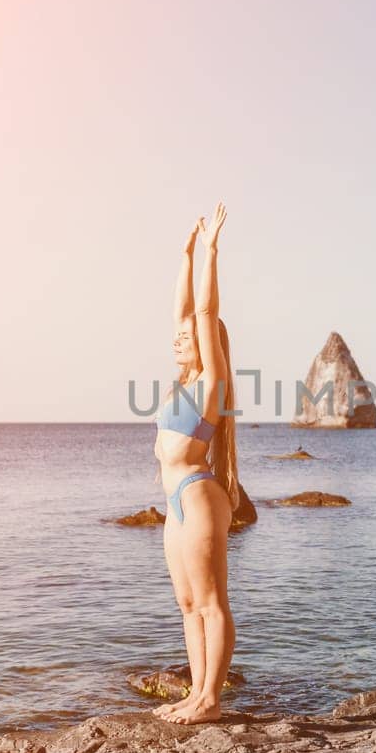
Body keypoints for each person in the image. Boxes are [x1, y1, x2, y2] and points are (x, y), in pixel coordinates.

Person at [150, 203, 241, 724]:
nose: (177, 339)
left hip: (199, 494)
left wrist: (210, 252)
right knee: (187, 604)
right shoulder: (179, 385)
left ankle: (211, 698)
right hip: (172, 503)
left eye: (186, 340)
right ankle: (194, 692)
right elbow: (183, 310)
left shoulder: (211, 383)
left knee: (210, 602)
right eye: (177, 338)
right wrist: (183, 256)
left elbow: (203, 314)